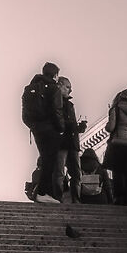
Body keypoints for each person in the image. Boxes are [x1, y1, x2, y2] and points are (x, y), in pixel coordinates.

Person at [22, 62, 64, 201]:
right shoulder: (54, 88)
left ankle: (43, 193)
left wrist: (33, 126)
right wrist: (61, 128)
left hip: (36, 129)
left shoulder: (29, 88)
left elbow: (24, 114)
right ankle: (42, 192)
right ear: (55, 75)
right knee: (50, 160)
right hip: (50, 129)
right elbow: (57, 111)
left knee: (45, 158)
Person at [53, 74, 82, 202]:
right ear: (59, 86)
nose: (70, 90)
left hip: (72, 142)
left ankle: (76, 200)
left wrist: (78, 127)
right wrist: (73, 126)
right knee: (59, 172)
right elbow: (57, 120)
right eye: (67, 87)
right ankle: (58, 198)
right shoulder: (54, 101)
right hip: (61, 141)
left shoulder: (70, 105)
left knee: (76, 173)